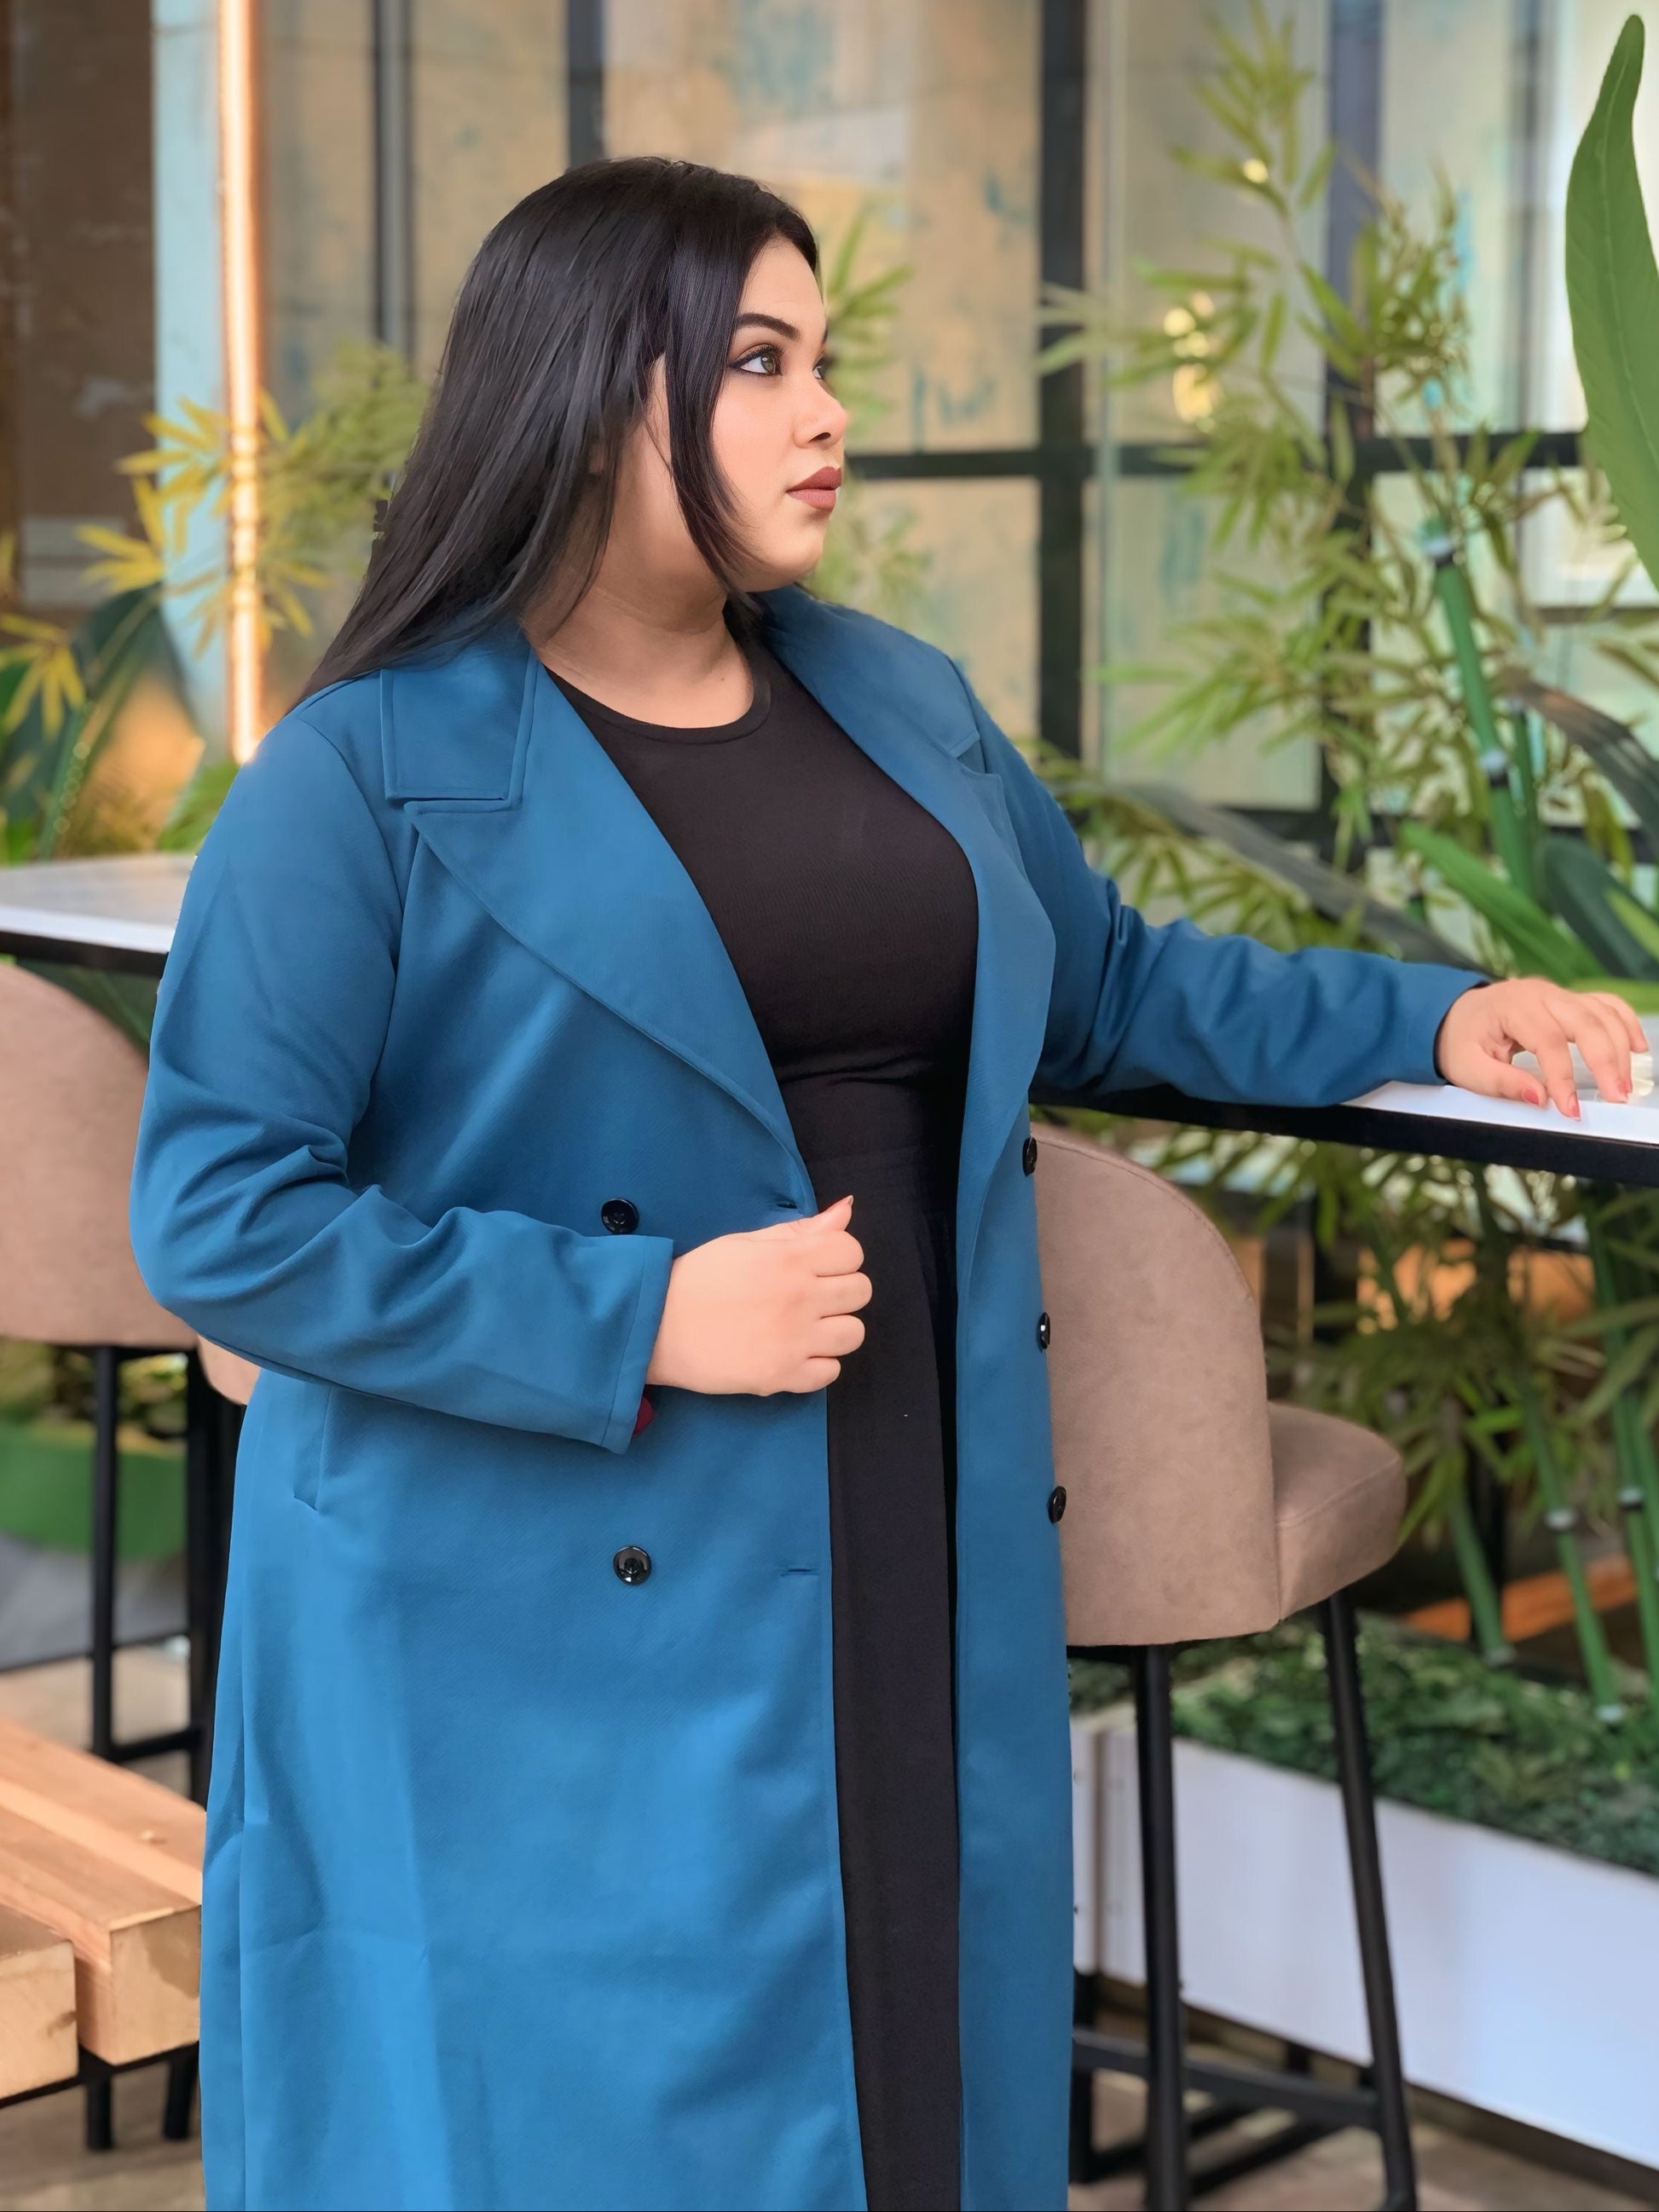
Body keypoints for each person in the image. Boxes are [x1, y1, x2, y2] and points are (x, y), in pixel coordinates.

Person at [128, 157, 1641, 2212]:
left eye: (819, 358)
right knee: (583, 2112)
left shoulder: (896, 701)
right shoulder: (364, 768)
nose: (822, 410)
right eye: (756, 362)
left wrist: (1435, 1012)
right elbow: (221, 1210)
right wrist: (643, 1313)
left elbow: (1108, 983)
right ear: (589, 391)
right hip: (530, 1571)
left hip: (898, 1489)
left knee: (906, 2045)